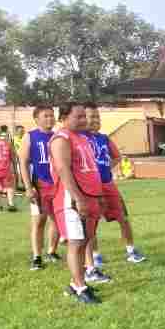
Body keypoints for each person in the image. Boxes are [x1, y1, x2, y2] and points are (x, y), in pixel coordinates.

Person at [49, 102, 103, 304]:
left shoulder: (81, 138)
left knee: (84, 241)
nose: (84, 120)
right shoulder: (61, 139)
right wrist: (78, 198)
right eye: (78, 117)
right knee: (76, 243)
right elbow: (63, 170)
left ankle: (75, 283)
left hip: (89, 196)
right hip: (70, 199)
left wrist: (98, 196)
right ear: (64, 118)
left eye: (84, 116)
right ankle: (80, 288)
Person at [84, 103, 147, 272]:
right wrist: (92, 174)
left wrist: (105, 168)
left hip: (108, 185)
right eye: (91, 116)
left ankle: (131, 250)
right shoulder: (80, 139)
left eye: (97, 116)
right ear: (83, 119)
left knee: (123, 218)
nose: (95, 120)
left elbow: (117, 156)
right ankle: (95, 255)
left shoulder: (104, 138)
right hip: (90, 188)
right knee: (92, 223)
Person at [18, 106, 62, 271]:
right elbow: (23, 162)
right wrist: (28, 187)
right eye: (46, 116)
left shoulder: (58, 136)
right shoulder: (31, 136)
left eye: (52, 116)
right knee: (39, 221)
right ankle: (37, 257)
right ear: (36, 119)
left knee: (57, 219)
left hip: (57, 185)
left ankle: (52, 251)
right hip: (40, 185)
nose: (50, 119)